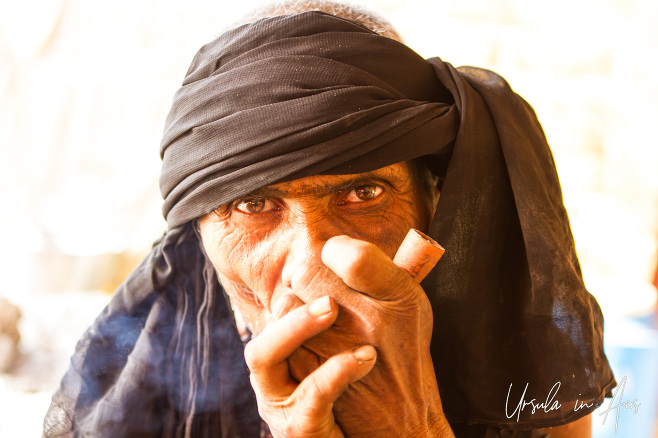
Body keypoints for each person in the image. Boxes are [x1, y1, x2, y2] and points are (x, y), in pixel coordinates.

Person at [43, 2, 616, 437]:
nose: (312, 263)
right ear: (200, 234)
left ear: (431, 204)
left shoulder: (521, 368)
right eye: (253, 205)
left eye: (364, 192)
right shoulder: (140, 391)